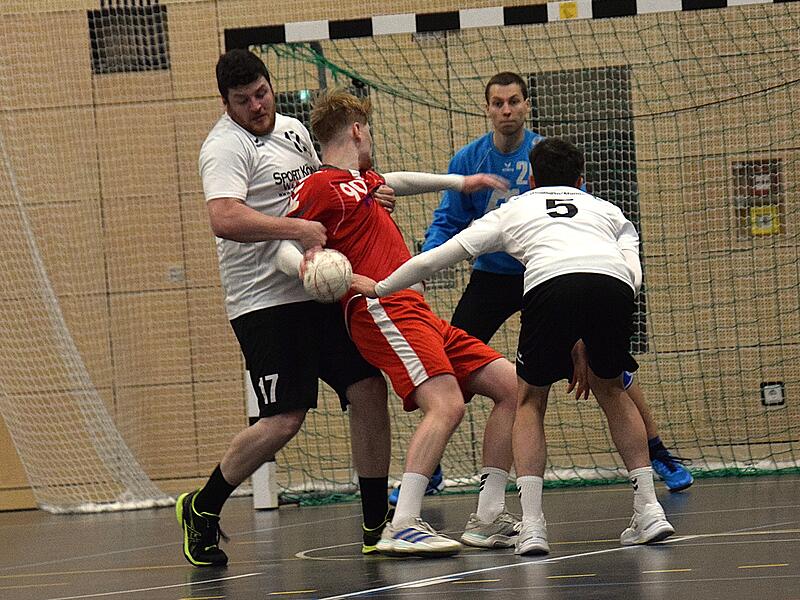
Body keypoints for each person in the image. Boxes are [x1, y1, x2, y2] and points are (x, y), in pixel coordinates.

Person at [352, 137, 676, 555]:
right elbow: (632, 272)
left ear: (533, 180)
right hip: (613, 285)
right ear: (582, 181)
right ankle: (649, 510)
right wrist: (591, 329)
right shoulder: (609, 211)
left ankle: (534, 526)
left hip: (548, 284)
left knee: (529, 401)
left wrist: (380, 286)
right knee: (613, 391)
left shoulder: (517, 208)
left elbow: (440, 256)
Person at [420, 71, 692, 493]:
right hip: (492, 277)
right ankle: (430, 466)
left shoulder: (547, 156)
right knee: (451, 362)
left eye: (514, 101)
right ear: (487, 108)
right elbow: (448, 222)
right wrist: (424, 266)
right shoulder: (468, 161)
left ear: (527, 105)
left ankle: (657, 452)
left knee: (610, 368)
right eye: (498, 103)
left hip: (548, 277)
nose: (506, 110)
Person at [282, 89, 525, 557]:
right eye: (367, 130)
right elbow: (288, 239)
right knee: (447, 404)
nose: (369, 137)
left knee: (512, 387)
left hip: (419, 311)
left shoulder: (364, 181)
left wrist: (460, 182)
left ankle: (489, 516)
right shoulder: (319, 185)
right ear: (356, 130)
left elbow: (397, 179)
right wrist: (336, 275)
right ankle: (405, 523)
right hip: (381, 308)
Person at [177, 49, 396, 567]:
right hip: (265, 302)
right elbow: (224, 218)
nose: (257, 106)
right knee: (283, 420)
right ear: (224, 102)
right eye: (243, 100)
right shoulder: (224, 148)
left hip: (319, 289)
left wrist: (371, 193)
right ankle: (202, 508)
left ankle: (375, 525)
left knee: (368, 388)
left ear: (271, 84)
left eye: (261, 93)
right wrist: (295, 229)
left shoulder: (295, 129)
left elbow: (333, 183)